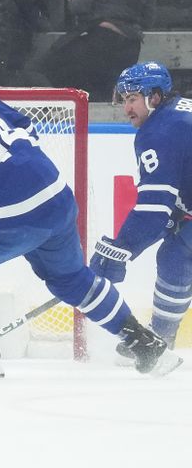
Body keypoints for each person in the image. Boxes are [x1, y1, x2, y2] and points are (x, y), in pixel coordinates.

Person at [0, 54, 183, 378]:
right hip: (57, 199)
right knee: (71, 280)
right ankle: (147, 347)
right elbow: (26, 129)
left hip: (12, 220)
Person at [90, 62, 192, 353]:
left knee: (177, 253)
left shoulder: (158, 132)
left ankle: (159, 341)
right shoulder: (181, 113)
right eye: (124, 100)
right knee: (177, 251)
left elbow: (153, 210)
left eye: (132, 98)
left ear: (155, 98)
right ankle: (161, 338)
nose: (127, 108)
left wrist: (121, 248)